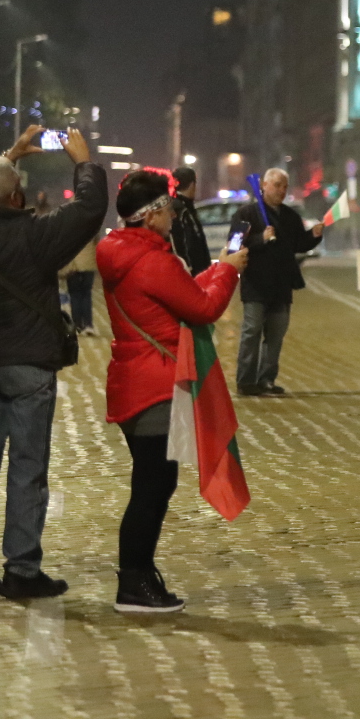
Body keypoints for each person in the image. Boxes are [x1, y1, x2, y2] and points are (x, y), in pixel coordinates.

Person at [98, 169, 247, 612]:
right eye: (167, 208)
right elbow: (203, 308)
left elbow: (179, 296)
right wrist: (228, 272)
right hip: (154, 385)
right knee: (152, 487)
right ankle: (133, 583)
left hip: (134, 380)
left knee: (150, 483)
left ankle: (139, 576)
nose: (172, 214)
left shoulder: (120, 251)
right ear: (151, 215)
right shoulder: (152, 260)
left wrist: (217, 269)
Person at [0, 127, 105, 601]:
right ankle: (21, 568)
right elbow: (88, 212)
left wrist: (10, 155)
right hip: (27, 366)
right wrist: (84, 164)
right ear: (17, 196)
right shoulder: (33, 236)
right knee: (26, 469)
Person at [232, 168, 331, 398]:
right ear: (264, 185)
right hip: (256, 284)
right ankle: (246, 381)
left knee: (275, 335)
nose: (282, 190)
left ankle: (266, 379)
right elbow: (235, 244)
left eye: (285, 186)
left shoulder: (289, 216)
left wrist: (314, 235)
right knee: (252, 331)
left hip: (281, 284)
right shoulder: (246, 213)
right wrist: (260, 239)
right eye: (277, 185)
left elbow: (298, 244)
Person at [168, 166, 212, 276]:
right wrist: (188, 268)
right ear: (192, 185)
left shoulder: (183, 207)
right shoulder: (181, 209)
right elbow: (181, 243)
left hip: (195, 270)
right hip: (191, 272)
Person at [59, 229, 99, 335]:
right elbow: (96, 243)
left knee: (75, 295)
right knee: (86, 295)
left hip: (73, 266)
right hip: (88, 264)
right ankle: (88, 325)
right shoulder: (92, 227)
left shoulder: (69, 228)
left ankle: (77, 325)